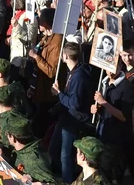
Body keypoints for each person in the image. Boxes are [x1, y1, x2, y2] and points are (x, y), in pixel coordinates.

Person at [50, 42, 93, 184]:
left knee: (65, 154)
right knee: (53, 149)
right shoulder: (72, 72)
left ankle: (68, 181)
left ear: (66, 56)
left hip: (74, 119)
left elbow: (75, 104)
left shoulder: (79, 76)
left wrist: (59, 94)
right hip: (66, 117)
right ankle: (63, 173)